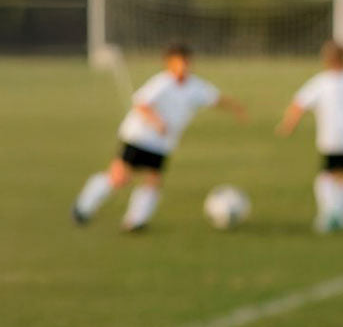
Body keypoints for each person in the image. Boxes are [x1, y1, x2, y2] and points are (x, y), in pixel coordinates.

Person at [72, 43, 247, 232]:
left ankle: (135, 221)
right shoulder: (162, 82)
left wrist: (236, 108)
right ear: (169, 64)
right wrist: (157, 122)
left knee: (153, 180)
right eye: (179, 63)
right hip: (138, 137)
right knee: (119, 177)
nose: (183, 67)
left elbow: (215, 99)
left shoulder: (196, 86)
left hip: (162, 143)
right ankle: (83, 207)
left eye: (186, 63)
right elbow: (141, 104)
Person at [275, 40, 343, 233]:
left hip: (331, 137)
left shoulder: (321, 82)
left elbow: (299, 104)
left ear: (327, 60)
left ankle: (328, 215)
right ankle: (342, 216)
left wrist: (288, 126)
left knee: (327, 174)